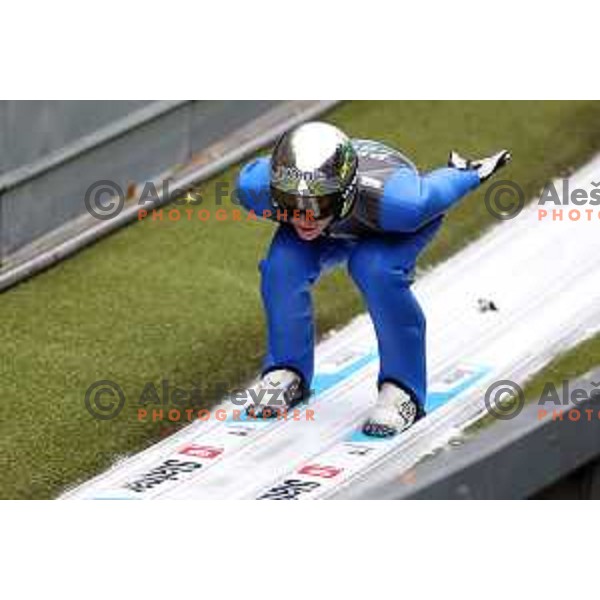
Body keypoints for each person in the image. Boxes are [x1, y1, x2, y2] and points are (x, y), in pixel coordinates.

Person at [236, 121, 510, 437]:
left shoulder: (404, 204)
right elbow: (273, 184)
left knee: (375, 270)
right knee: (281, 268)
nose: (303, 217)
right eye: (289, 204)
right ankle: (287, 370)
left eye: (315, 204)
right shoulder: (258, 189)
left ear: (346, 191)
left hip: (385, 223)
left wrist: (466, 173)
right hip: (341, 218)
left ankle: (403, 389)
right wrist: (312, 206)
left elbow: (434, 192)